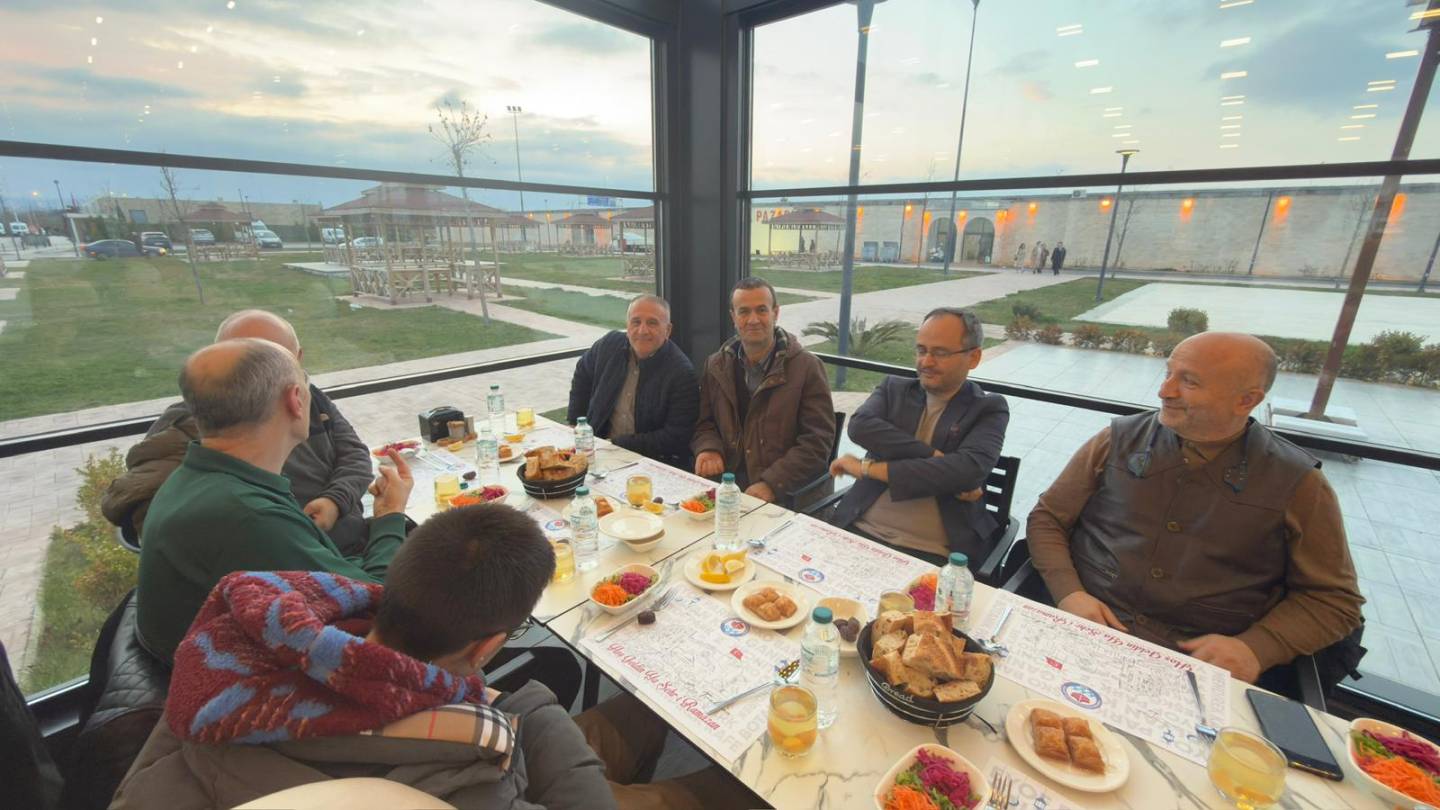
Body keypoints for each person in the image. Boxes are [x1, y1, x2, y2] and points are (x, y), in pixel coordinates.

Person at [111, 504, 755, 810]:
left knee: (649, 709)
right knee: (720, 787)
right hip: (474, 761)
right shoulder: (469, 782)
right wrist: (523, 705)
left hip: (310, 764)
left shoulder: (226, 667)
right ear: (488, 646)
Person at [1027, 332, 1364, 684]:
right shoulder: (1118, 439)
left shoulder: (1298, 483)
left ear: (1246, 400)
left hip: (1193, 664)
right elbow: (1049, 518)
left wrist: (1257, 647)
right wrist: (1069, 593)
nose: (1165, 391)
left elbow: (1335, 601)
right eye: (1168, 374)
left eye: (1188, 382)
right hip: (1083, 625)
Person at [135, 338, 413, 663]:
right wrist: (390, 515)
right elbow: (382, 602)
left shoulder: (202, 478)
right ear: (295, 401)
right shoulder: (247, 515)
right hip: (253, 679)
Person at [103, 310, 375, 556]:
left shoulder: (309, 396)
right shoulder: (199, 433)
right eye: (243, 361)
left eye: (272, 360)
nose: (258, 378)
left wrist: (335, 501)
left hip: (345, 547)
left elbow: (355, 454)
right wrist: (390, 518)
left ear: (297, 362)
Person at [827, 308, 1009, 567]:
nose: (926, 362)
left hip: (935, 553)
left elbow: (968, 471)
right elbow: (859, 427)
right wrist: (934, 457)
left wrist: (867, 469)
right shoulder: (894, 389)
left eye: (940, 353)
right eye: (922, 350)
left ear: (974, 357)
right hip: (859, 528)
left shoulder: (988, 409)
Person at [692, 277, 835, 505]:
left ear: (775, 313)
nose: (753, 320)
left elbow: (817, 443)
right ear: (733, 317)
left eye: (761, 310)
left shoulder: (807, 368)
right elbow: (704, 423)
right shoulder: (716, 365)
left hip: (786, 494)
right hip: (727, 486)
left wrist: (772, 484)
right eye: (744, 311)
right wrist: (708, 449)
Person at [567, 295, 699, 468]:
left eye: (652, 323)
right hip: (597, 450)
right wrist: (576, 422)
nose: (642, 330)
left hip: (650, 462)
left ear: (668, 330)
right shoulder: (608, 345)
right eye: (636, 322)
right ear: (627, 326)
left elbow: (676, 436)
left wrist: (615, 444)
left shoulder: (682, 372)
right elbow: (582, 374)